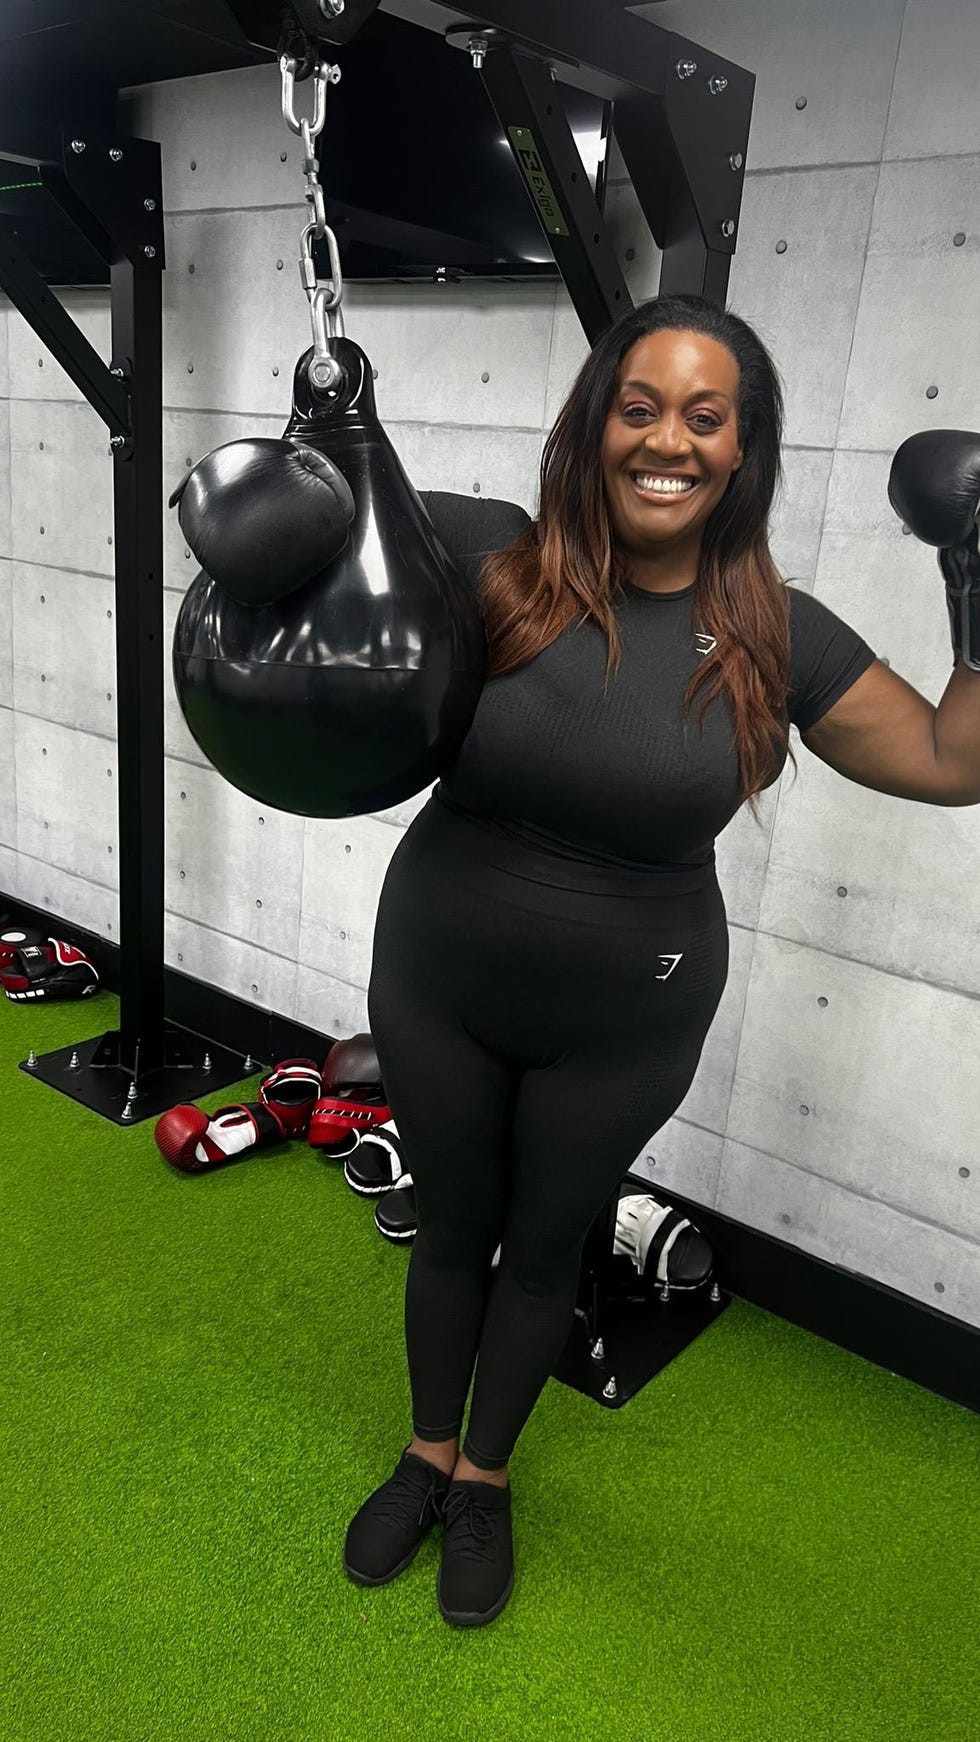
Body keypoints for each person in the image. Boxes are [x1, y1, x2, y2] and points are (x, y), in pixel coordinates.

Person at [344, 291, 885, 1628]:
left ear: (745, 448)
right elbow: (317, 531)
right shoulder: (490, 559)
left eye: (708, 417)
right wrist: (326, 423)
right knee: (449, 1225)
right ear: (594, 426)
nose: (669, 441)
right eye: (640, 407)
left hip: (626, 1012)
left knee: (542, 1249)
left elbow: (949, 754)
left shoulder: (777, 629)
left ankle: (486, 1476)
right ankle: (424, 1449)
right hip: (438, 974)